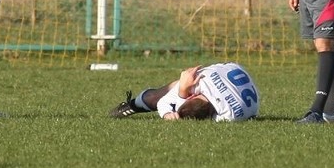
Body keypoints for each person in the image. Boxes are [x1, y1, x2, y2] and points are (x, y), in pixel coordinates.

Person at [109, 62, 260, 121]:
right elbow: (165, 102)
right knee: (165, 93)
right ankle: (135, 104)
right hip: (228, 69)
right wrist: (183, 90)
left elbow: (165, 102)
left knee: (157, 97)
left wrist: (182, 91)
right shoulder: (198, 83)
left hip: (235, 71)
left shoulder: (229, 116)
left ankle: (134, 105)